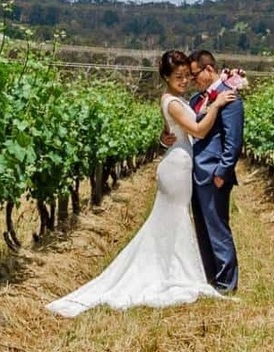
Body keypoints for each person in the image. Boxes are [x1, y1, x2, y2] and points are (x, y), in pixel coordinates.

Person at [46, 50, 236, 317]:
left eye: (186, 76)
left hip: (181, 164)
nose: (184, 81)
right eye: (178, 77)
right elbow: (198, 130)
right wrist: (216, 105)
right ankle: (172, 271)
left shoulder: (179, 100)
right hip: (176, 167)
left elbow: (184, 124)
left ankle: (173, 268)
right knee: (172, 218)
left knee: (173, 219)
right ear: (166, 78)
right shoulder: (171, 102)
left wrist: (218, 93)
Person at [186, 49, 244, 293]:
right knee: (202, 228)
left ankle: (226, 284)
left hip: (213, 174)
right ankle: (211, 279)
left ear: (209, 69)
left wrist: (222, 171)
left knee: (218, 228)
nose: (192, 80)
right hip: (195, 173)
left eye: (195, 74)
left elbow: (233, 141)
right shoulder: (196, 100)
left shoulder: (229, 98)